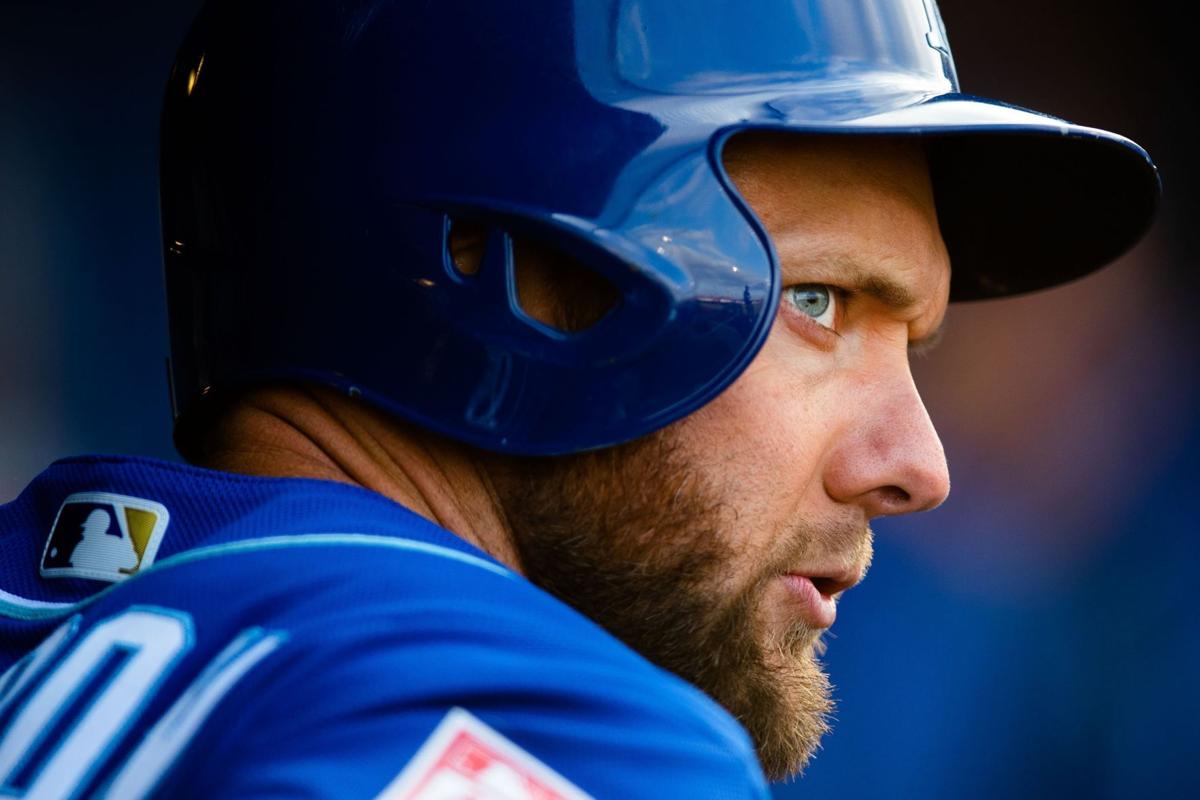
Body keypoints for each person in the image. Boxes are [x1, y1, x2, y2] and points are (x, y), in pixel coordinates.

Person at [0, 1, 1159, 798]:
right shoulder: (550, 722)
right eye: (820, 298)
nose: (920, 460)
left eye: (915, 341)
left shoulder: (55, 614)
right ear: (507, 275)